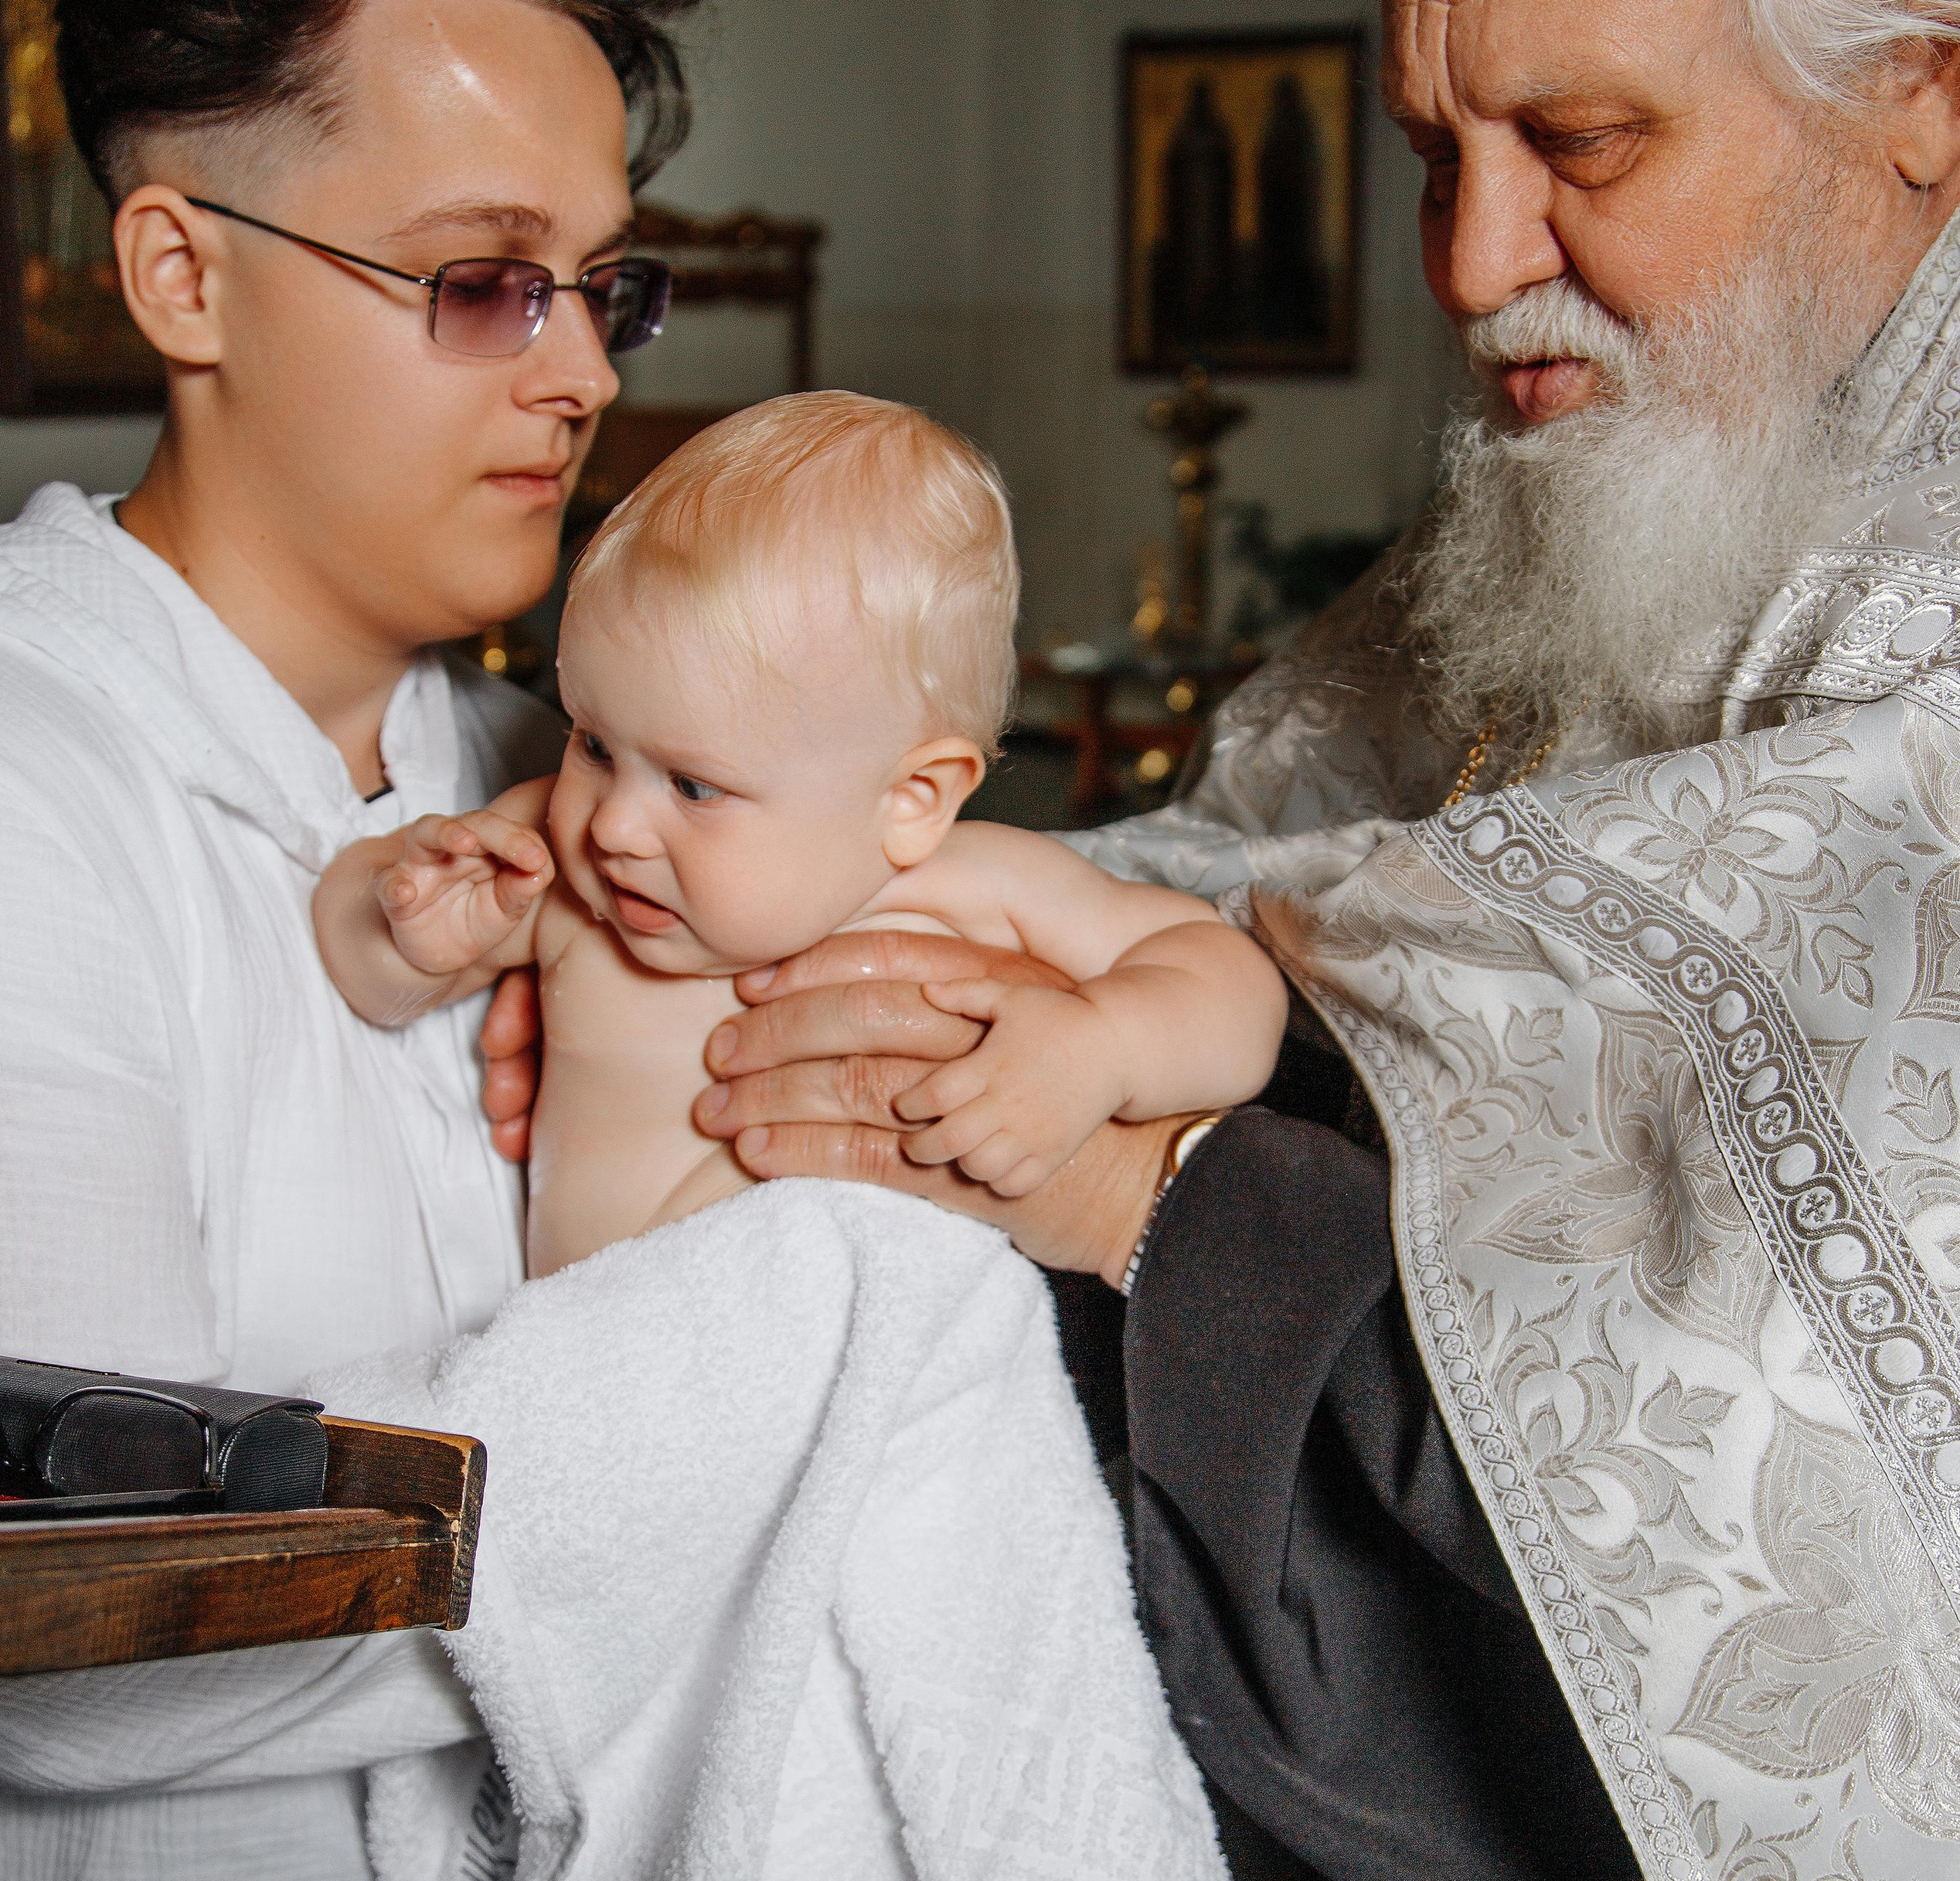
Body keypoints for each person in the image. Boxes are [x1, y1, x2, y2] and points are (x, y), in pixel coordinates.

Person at [642, 0, 1960, 1881]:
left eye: (1582, 140)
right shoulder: (1675, 464)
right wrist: (841, 930)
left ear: (1922, 81)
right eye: (1431, 150)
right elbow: (1291, 874)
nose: (1477, 267)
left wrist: (1131, 1186)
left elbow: (1824, 1470)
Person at [0, 0, 705, 1881]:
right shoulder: (17, 780)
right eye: (482, 284)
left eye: (607, 286)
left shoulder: (548, 748)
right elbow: (95, 1636)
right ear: (179, 266)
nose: (589, 372)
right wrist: (734, 1444)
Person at [315, 392, 1287, 1267]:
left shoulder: (971, 887)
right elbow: (367, 976)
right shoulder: (554, 872)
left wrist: (1104, 1046)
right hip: (612, 1384)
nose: (614, 824)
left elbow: (1232, 986)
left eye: (694, 786)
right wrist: (409, 926)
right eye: (593, 743)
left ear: (909, 801)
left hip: (868, 1391)